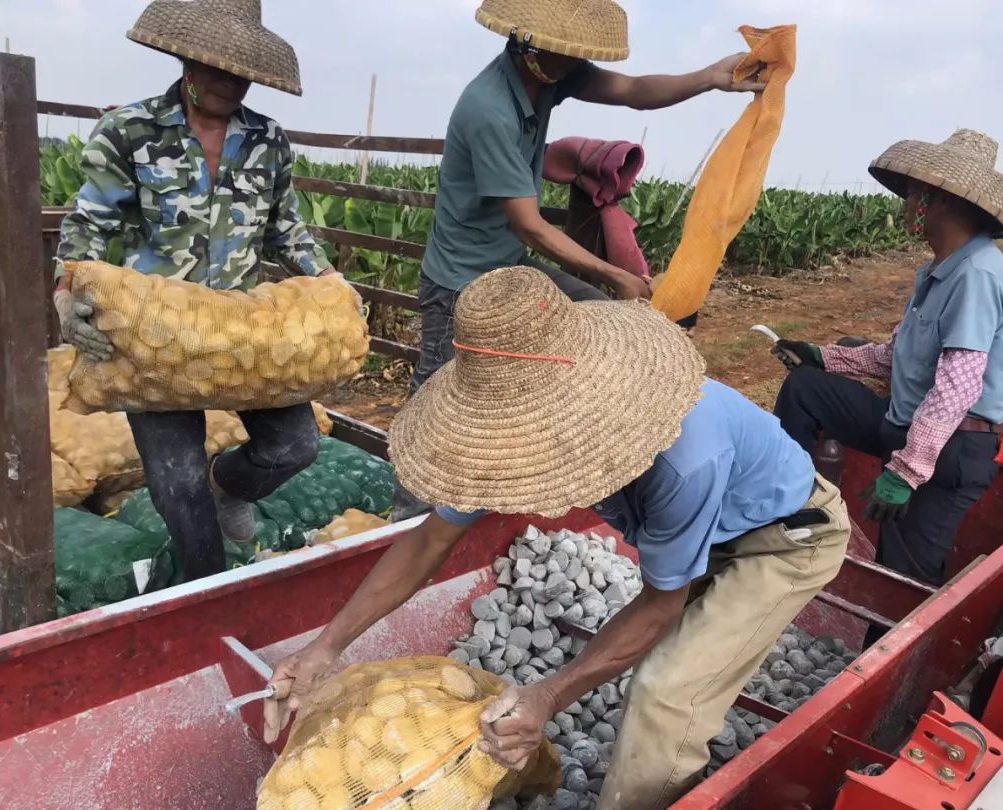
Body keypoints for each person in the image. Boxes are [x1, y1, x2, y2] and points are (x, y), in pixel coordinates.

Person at [265, 266, 851, 809]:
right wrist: (325, 646)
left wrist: (549, 696)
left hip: (783, 537)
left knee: (667, 694)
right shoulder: (500, 426)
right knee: (645, 658)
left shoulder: (683, 457)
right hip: (706, 522)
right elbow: (427, 541)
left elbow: (660, 603)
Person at [393, 0, 767, 520]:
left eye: (576, 57)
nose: (575, 65)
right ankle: (403, 529)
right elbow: (530, 224)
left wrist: (710, 77)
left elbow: (635, 92)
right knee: (438, 412)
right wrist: (616, 274)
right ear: (527, 46)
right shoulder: (490, 109)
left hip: (508, 268)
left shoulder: (550, 72)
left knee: (602, 322)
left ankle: (576, 477)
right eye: (565, 56)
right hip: (459, 283)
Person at [55, 0, 342, 579]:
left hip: (241, 329)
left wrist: (330, 280)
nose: (233, 83)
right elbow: (87, 228)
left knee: (295, 446)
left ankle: (228, 487)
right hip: (153, 333)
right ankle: (203, 594)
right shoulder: (129, 131)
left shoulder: (267, 138)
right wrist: (65, 294)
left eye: (245, 73)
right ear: (188, 58)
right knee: (177, 485)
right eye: (219, 68)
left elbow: (287, 227)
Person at [773, 130, 1003, 621]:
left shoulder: (978, 274)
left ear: (940, 199)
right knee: (806, 390)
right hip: (904, 425)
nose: (907, 205)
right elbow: (893, 358)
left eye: (915, 193)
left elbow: (958, 386)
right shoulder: (935, 271)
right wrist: (821, 357)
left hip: (949, 450)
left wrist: (905, 472)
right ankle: (788, 504)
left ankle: (892, 686)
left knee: (901, 580)